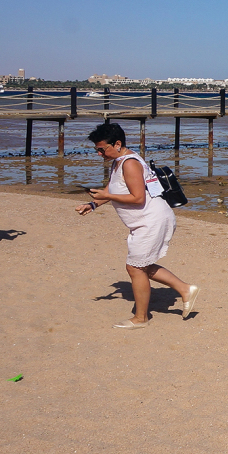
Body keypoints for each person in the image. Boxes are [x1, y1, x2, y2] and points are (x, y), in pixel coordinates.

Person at [75, 122, 200, 328]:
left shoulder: (130, 163)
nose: (99, 154)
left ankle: (141, 318)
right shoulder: (118, 161)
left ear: (117, 144)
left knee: (135, 267)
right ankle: (185, 289)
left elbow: (137, 198)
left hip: (152, 220)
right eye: (97, 150)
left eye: (101, 149)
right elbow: (112, 189)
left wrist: (106, 195)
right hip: (144, 222)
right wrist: (93, 204)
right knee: (142, 266)